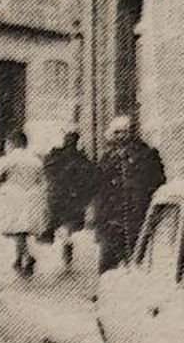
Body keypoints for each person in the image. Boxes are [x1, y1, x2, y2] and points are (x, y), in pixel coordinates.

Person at [96, 115, 167, 271]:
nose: (121, 137)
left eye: (124, 132)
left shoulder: (147, 155)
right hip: (112, 219)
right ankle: (107, 292)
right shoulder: (107, 158)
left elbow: (158, 182)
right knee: (108, 261)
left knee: (138, 259)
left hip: (138, 216)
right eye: (117, 133)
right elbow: (100, 189)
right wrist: (101, 220)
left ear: (132, 133)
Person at [0, 130, 46, 278]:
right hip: (33, 197)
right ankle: (18, 260)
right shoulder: (36, 160)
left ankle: (27, 256)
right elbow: (43, 182)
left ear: (13, 143)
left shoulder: (8, 160)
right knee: (23, 230)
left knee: (17, 230)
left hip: (14, 197)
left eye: (8, 144)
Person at [41, 130, 97, 270]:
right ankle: (66, 247)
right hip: (73, 197)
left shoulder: (57, 156)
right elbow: (90, 177)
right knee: (69, 225)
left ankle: (57, 239)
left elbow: (47, 170)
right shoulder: (81, 158)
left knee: (57, 222)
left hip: (59, 197)